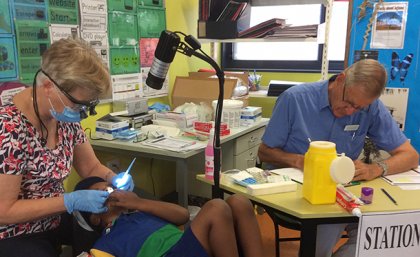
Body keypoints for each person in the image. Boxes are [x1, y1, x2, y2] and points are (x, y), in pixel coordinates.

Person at [258, 59, 419, 257]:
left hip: (341, 190)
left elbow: (410, 156)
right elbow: (264, 152)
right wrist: (300, 161)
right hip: (296, 187)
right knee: (330, 221)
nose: (351, 112)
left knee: (383, 230)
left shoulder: (371, 107)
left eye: (359, 108)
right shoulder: (295, 99)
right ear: (341, 80)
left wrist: (375, 169)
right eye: (349, 102)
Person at [0, 38, 134, 257]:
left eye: (89, 106)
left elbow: (90, 168)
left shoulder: (63, 117)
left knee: (121, 232)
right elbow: (4, 211)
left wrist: (113, 177)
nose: (83, 113)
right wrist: (69, 200)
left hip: (54, 218)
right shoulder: (9, 128)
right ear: (48, 86)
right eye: (79, 104)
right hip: (13, 232)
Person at [72, 176, 264, 257]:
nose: (111, 191)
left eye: (111, 186)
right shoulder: (106, 241)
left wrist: (138, 202)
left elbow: (182, 216)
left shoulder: (140, 211)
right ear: (95, 218)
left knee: (239, 201)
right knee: (216, 208)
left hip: (188, 246)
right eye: (102, 192)